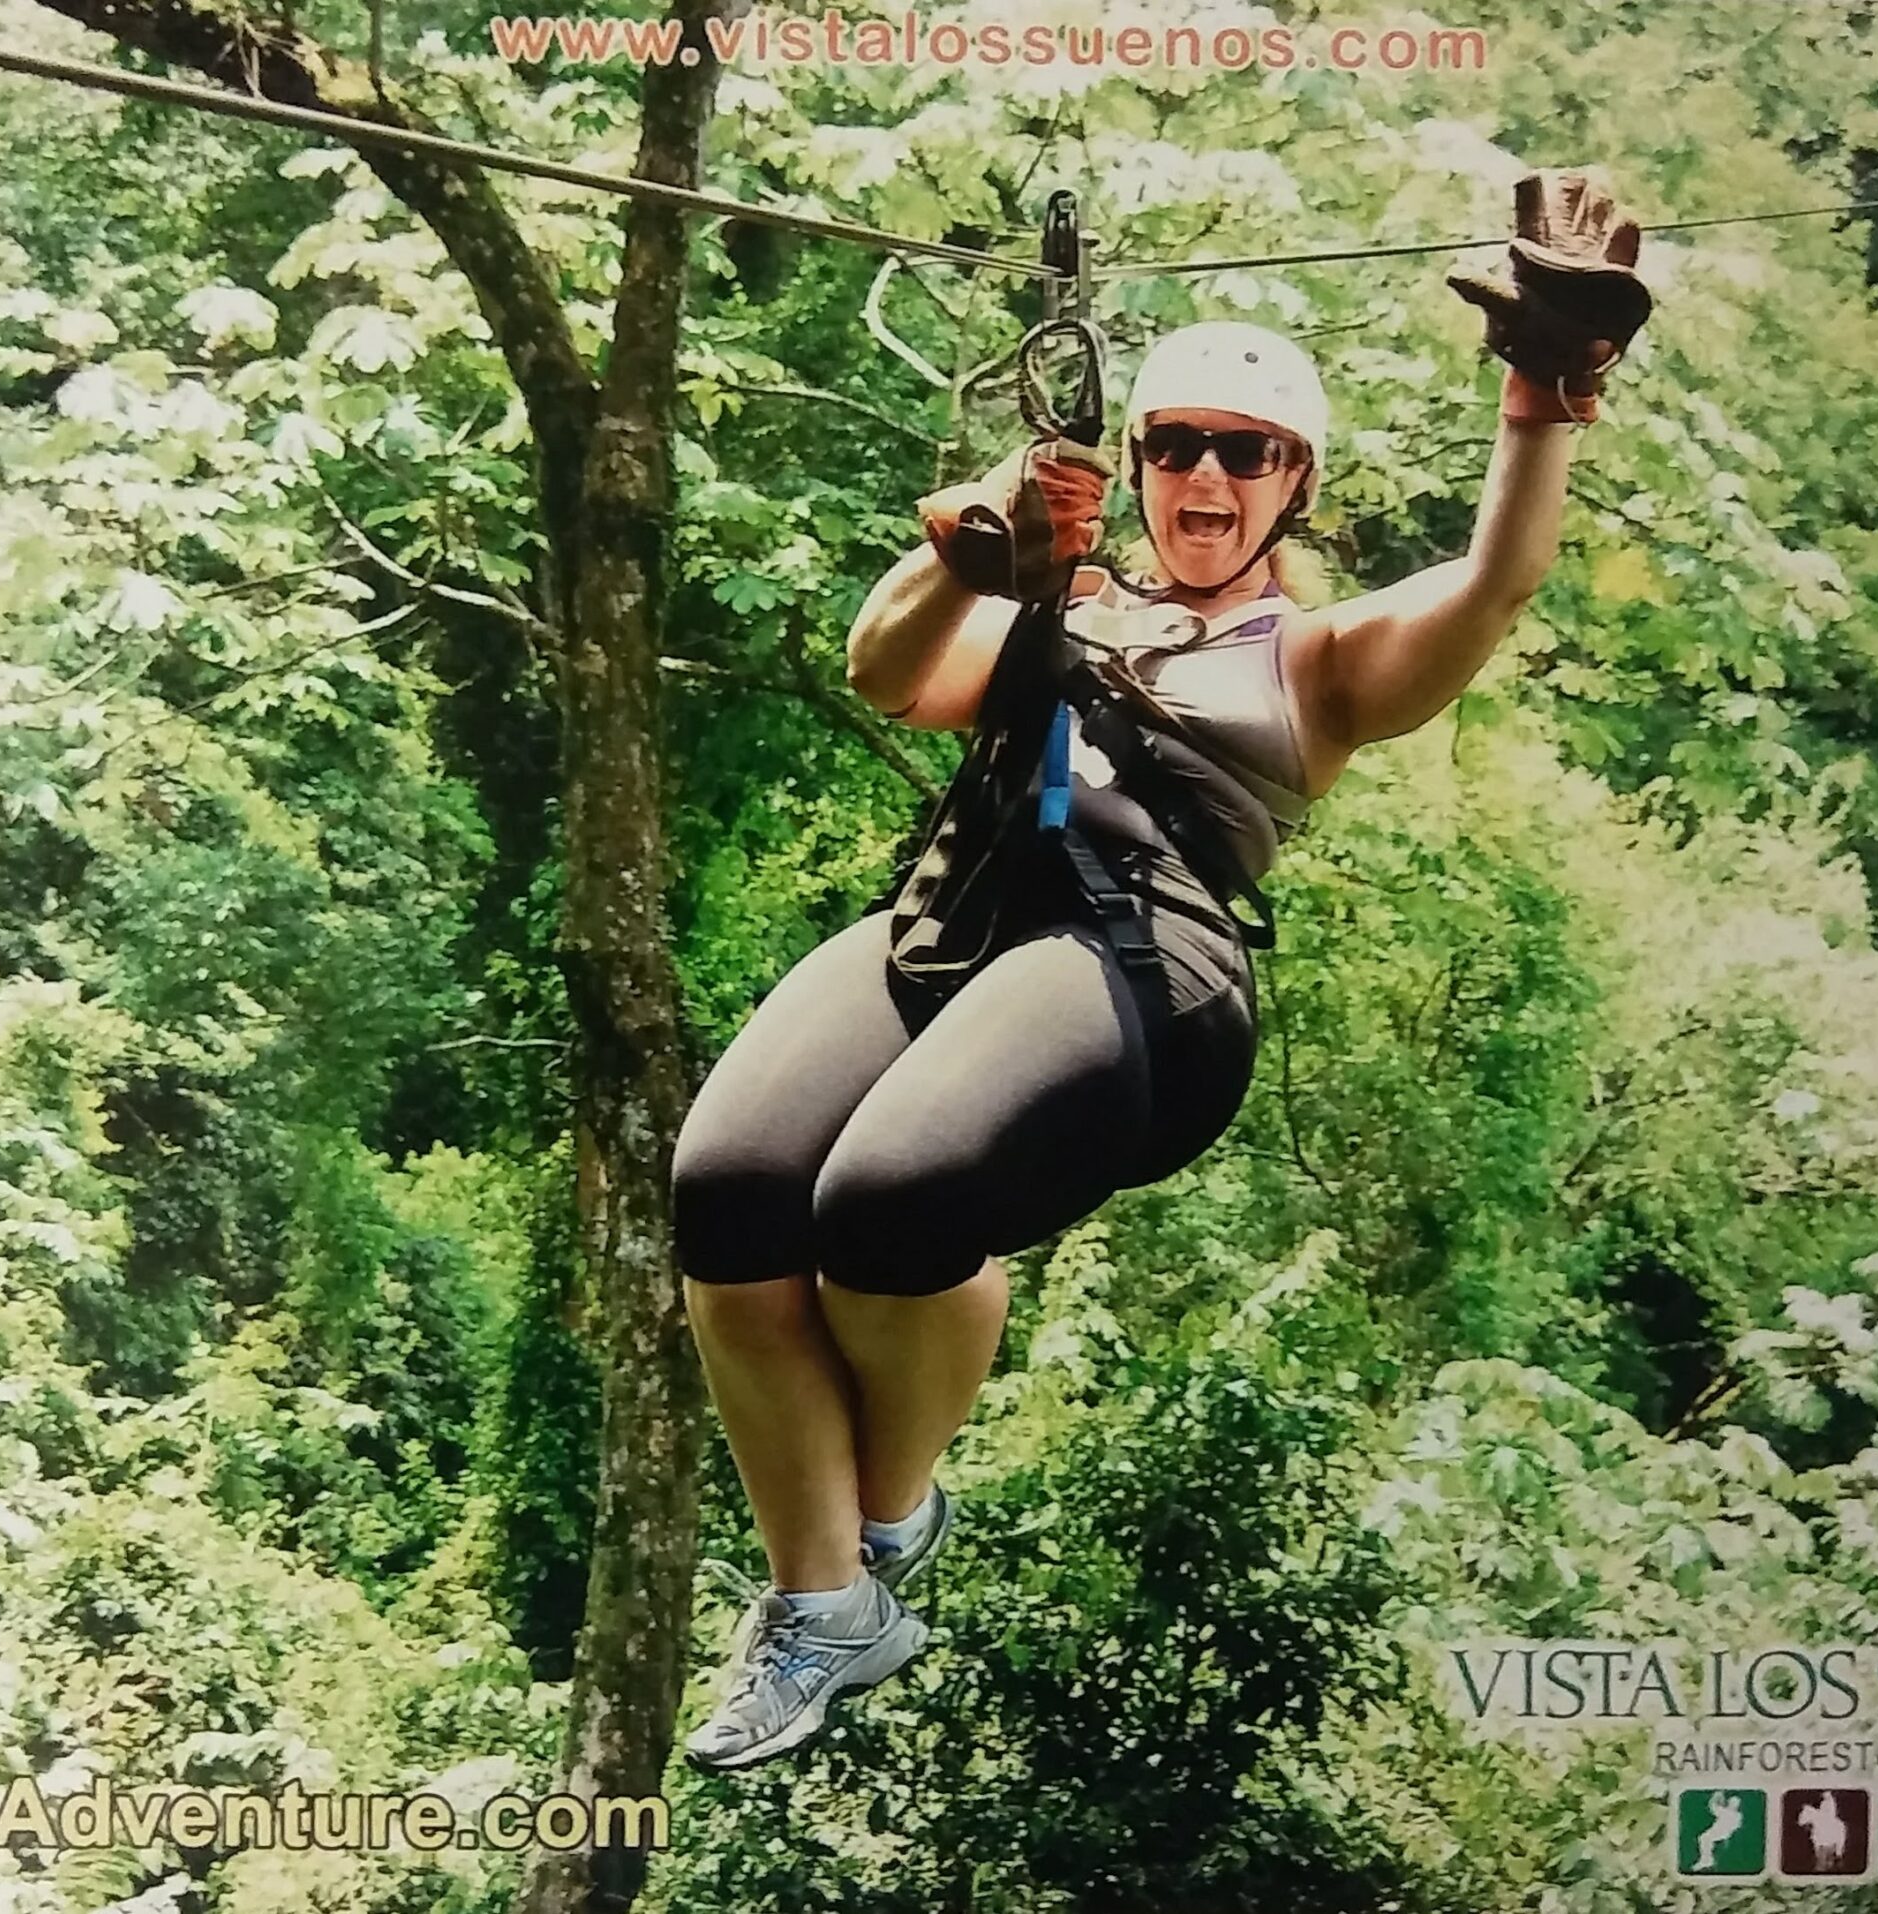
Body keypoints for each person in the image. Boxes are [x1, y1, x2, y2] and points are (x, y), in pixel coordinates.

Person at [669, 170, 1652, 1772]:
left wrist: (1541, 398)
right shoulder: (1061, 590)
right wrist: (984, 551)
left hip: (1140, 965)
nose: (1206, 473)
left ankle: (896, 1509)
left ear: (1294, 485)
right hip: (961, 913)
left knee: (889, 1208)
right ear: (1136, 468)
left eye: (1245, 453)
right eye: (1177, 445)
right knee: (726, 1195)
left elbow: (1496, 586)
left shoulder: (1315, 664)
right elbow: (886, 666)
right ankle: (828, 1601)